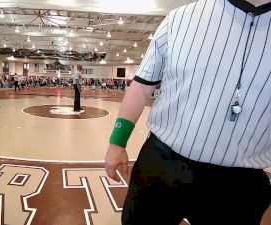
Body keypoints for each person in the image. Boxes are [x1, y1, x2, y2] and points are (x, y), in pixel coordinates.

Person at [104, 0, 271, 224]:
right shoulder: (180, 18)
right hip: (162, 164)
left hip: (240, 181)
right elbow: (143, 84)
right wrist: (117, 141)